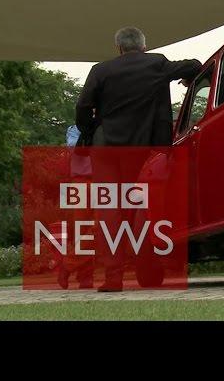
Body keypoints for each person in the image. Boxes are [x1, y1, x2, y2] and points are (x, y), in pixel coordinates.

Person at [75, 26, 201, 291]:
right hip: (141, 149)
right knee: (140, 209)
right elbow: (193, 64)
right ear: (143, 46)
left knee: (110, 210)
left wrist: (89, 132)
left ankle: (113, 277)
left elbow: (83, 106)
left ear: (118, 48)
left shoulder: (100, 70)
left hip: (106, 147)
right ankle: (148, 264)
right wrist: (190, 78)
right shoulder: (156, 64)